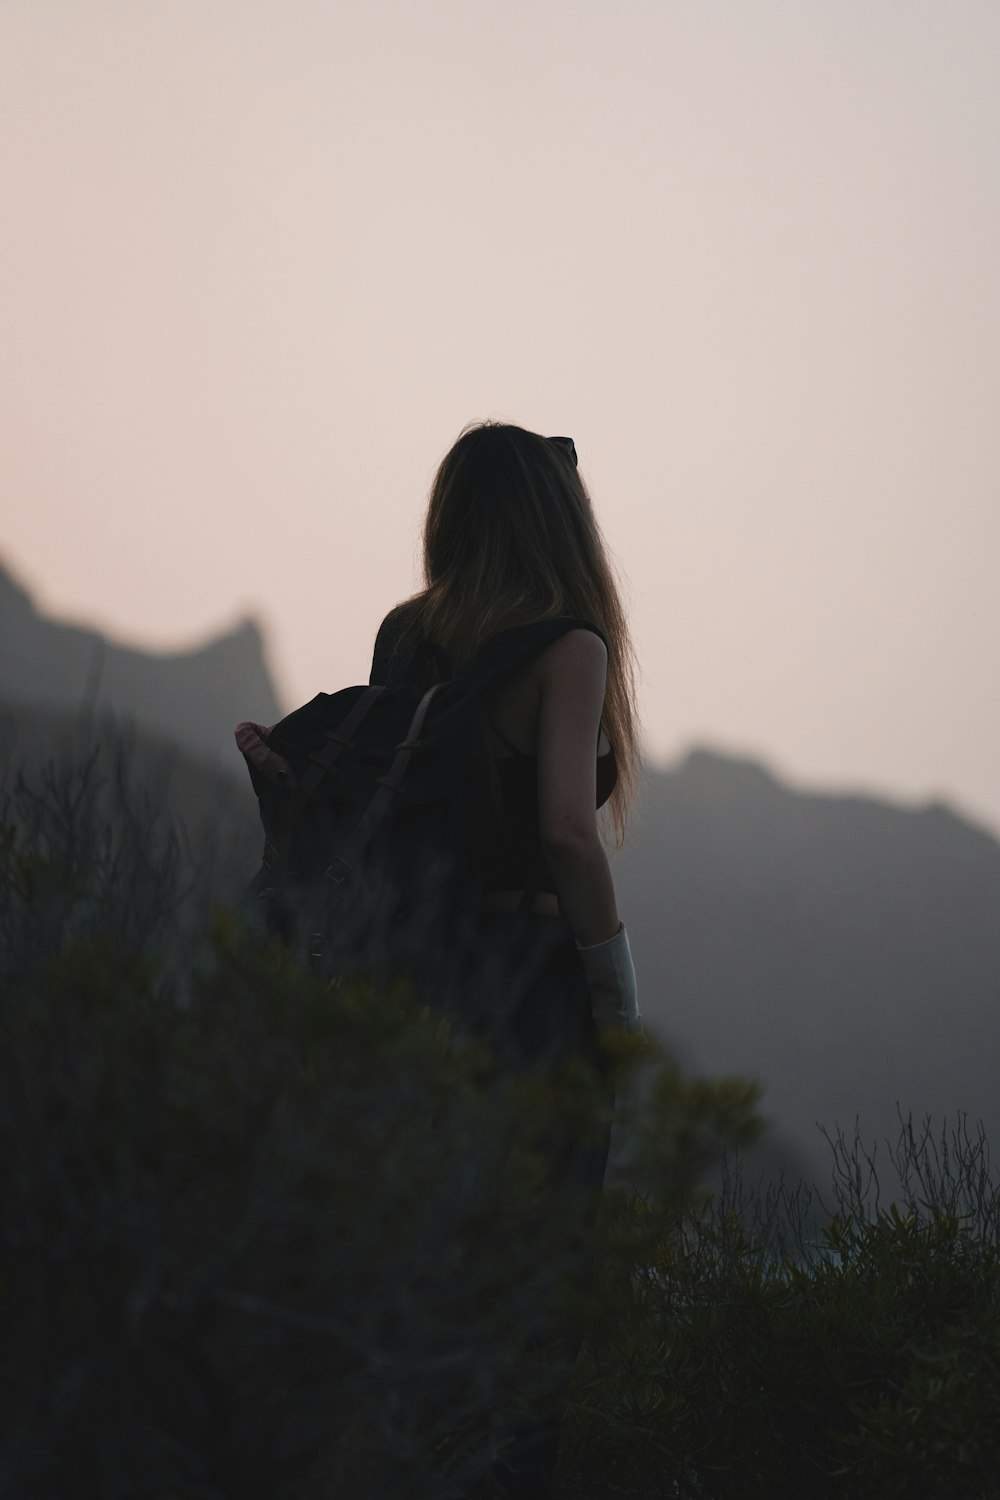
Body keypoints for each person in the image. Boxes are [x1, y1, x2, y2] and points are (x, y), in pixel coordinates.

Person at [369, 420, 641, 1498]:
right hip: (528, 992)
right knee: (532, 1294)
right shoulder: (568, 646)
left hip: (415, 978)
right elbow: (569, 834)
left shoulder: (403, 634)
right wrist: (613, 996)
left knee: (418, 1275)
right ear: (557, 520)